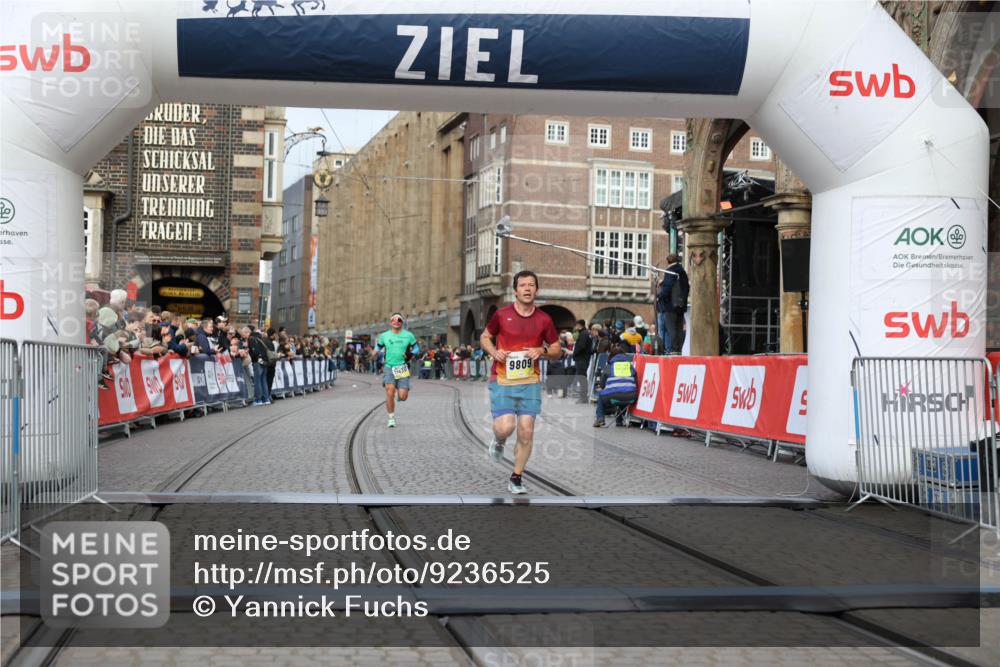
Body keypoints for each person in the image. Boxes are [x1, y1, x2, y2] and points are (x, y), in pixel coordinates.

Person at [480, 271, 561, 494]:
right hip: (503, 380)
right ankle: (499, 440)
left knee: (526, 431)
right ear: (515, 291)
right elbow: (485, 337)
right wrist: (494, 352)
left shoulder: (544, 319)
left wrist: (541, 350)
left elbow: (556, 349)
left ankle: (516, 478)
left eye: (531, 285)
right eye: (523, 285)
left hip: (530, 382)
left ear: (537, 290)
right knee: (506, 427)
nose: (527, 288)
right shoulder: (501, 315)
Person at [376, 313, 418, 428]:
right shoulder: (384, 335)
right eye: (394, 320)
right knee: (390, 391)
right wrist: (374, 351)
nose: (396, 321)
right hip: (389, 366)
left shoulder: (409, 335)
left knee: (403, 396)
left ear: (402, 322)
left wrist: (411, 354)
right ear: (390, 322)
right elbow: (378, 346)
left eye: (399, 320)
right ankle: (391, 418)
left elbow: (416, 348)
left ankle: (401, 389)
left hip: (402, 367)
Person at [593, 344, 638, 427]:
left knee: (601, 396)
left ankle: (600, 419)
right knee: (622, 393)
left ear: (612, 355)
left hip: (614, 395)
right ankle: (619, 420)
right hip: (632, 397)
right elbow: (635, 381)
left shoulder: (609, 366)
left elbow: (602, 385)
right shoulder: (630, 366)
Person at [657, 253, 689, 354]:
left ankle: (674, 349)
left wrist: (659, 296)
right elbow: (686, 287)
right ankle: (678, 349)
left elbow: (668, 287)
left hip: (670, 305)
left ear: (668, 261)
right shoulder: (682, 272)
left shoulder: (670, 271)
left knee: (671, 328)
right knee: (679, 328)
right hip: (681, 304)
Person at [571, 319, 592, 403]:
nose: (575, 327)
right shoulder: (584, 333)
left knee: (582, 378)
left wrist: (575, 353)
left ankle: (583, 398)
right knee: (581, 378)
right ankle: (583, 397)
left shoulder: (584, 334)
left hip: (582, 359)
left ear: (579, 325)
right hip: (582, 358)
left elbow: (581, 346)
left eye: (576, 325)